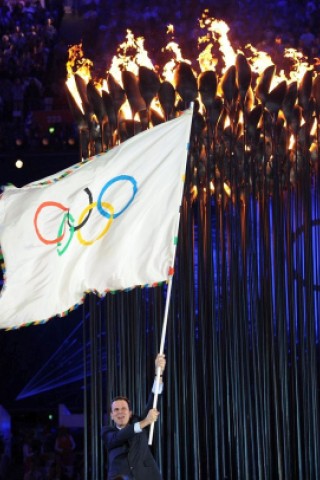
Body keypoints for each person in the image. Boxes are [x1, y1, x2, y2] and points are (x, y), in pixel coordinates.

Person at [102, 353, 166, 480]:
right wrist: (145, 422)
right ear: (111, 415)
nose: (120, 412)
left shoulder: (139, 421)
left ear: (130, 413)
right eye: (116, 410)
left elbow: (154, 399)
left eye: (124, 409)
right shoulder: (107, 432)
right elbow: (120, 436)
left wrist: (159, 373)